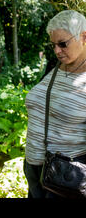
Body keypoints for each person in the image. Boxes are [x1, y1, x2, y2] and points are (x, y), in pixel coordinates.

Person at [24, 10, 86, 198]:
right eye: (53, 45)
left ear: (84, 37)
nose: (57, 50)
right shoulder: (54, 66)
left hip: (66, 174)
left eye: (63, 44)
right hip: (35, 168)